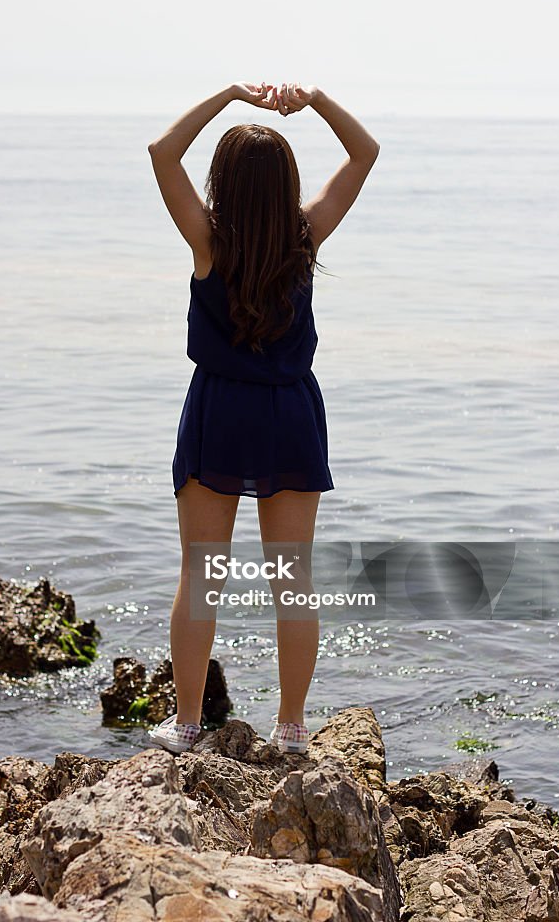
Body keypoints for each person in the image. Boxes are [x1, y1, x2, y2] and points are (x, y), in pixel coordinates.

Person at [146, 82, 380, 753]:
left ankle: (188, 725)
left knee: (200, 573)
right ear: (285, 183)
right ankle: (291, 728)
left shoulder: (207, 242)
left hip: (219, 407)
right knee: (292, 576)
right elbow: (364, 154)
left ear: (220, 180)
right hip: (289, 412)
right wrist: (316, 101)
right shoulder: (304, 236)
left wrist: (227, 97)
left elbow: (163, 152)